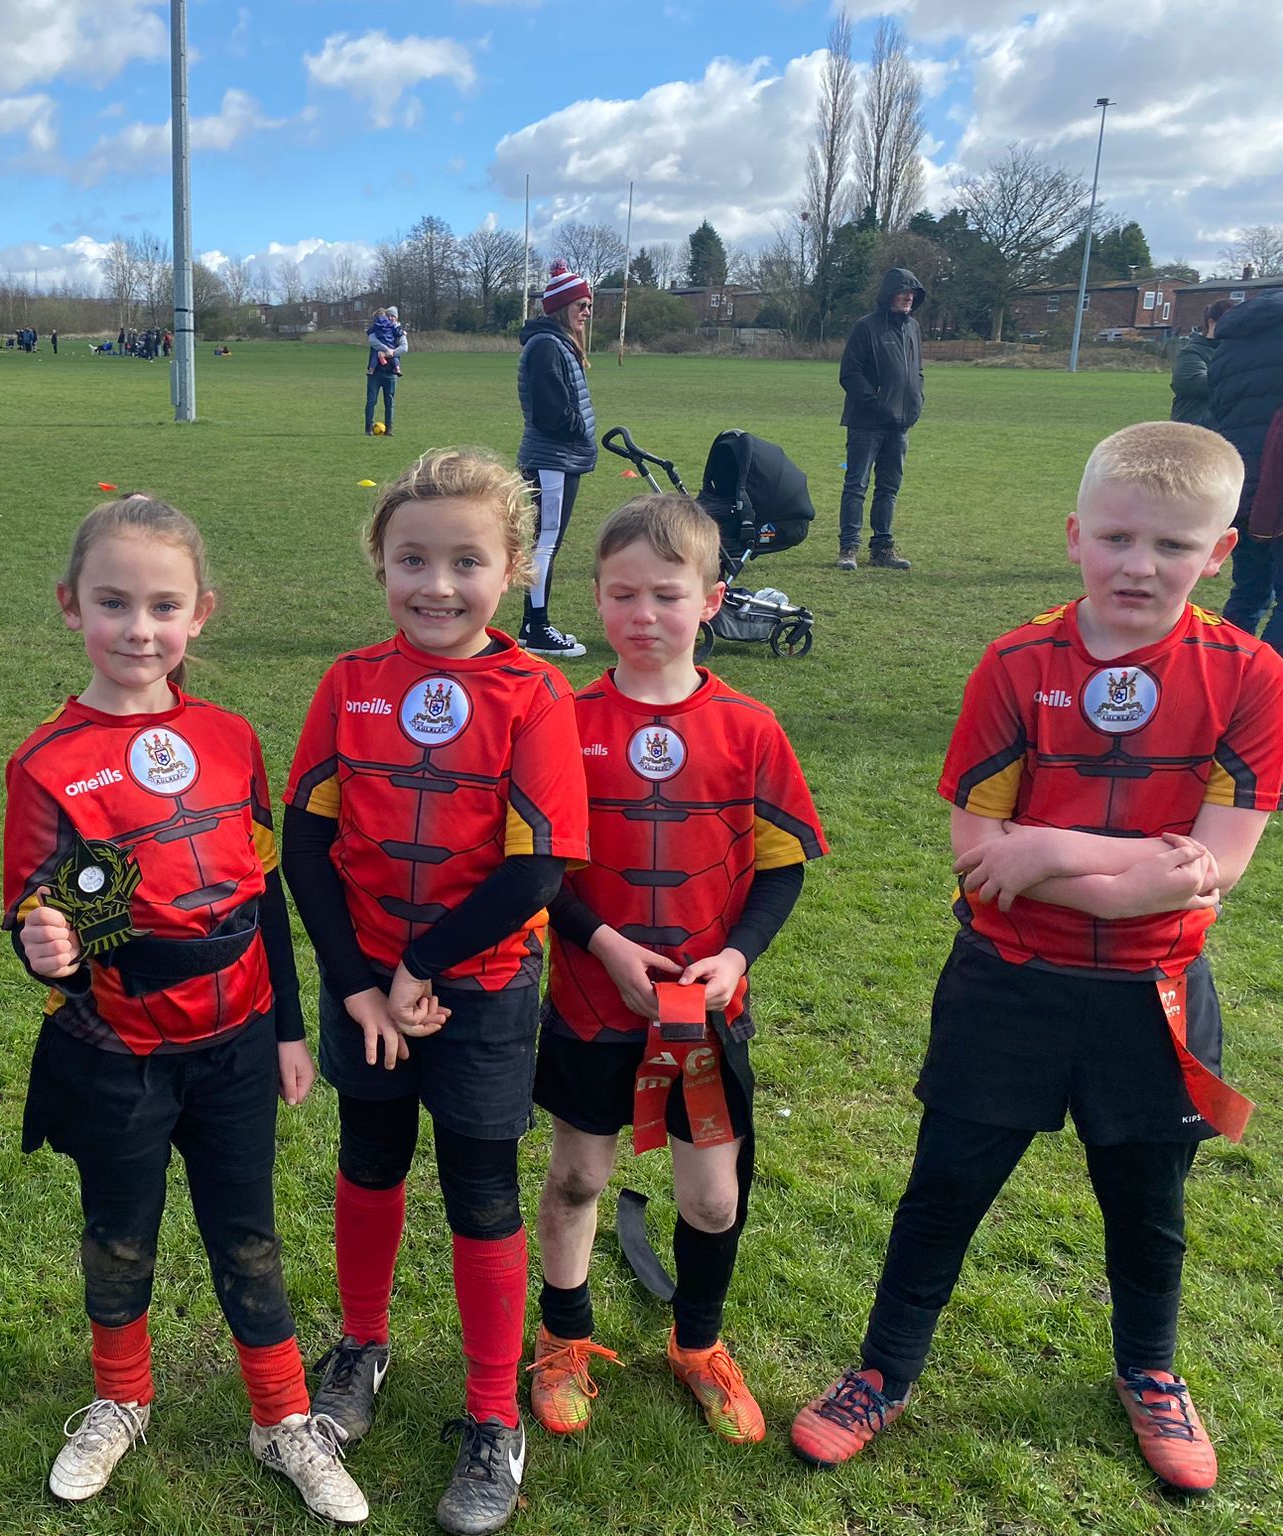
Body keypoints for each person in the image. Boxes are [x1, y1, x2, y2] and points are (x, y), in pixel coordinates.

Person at [790, 422, 1283, 1497]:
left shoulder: (1250, 674)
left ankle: (1149, 1370)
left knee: (1147, 1203)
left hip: (1154, 992)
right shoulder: (1016, 662)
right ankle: (882, 1370)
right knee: (944, 1187)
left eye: (1171, 545)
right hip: (1006, 983)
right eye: (1115, 537)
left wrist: (1050, 849)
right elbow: (979, 860)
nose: (1137, 565)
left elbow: (1212, 872)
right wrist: (1122, 868)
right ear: (1073, 536)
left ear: (1219, 554)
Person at [4, 498, 366, 1523]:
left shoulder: (229, 737)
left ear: (201, 611)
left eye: (163, 606)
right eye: (112, 603)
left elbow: (263, 895)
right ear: (70, 606)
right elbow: (46, 919)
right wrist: (46, 950)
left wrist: (287, 1028)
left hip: (238, 1048)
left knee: (246, 1233)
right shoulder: (45, 764)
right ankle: (121, 1399)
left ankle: (281, 1417)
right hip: (119, 1053)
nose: (139, 629)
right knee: (119, 1233)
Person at [284, 449, 587, 1536]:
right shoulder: (349, 682)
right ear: (380, 564)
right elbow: (305, 848)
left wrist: (421, 970)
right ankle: (360, 1346)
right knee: (368, 1159)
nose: (438, 584)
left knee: (480, 1190)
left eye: (466, 561)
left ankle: (492, 1414)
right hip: (367, 986)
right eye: (412, 559)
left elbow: (535, 872)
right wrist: (361, 986)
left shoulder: (535, 695)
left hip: (482, 993)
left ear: (513, 569)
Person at [526, 494, 827, 1448]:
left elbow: (781, 868)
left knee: (712, 1196)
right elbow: (539, 869)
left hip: (705, 1014)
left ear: (712, 600)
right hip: (590, 1002)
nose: (644, 614)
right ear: (596, 598)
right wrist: (605, 945)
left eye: (667, 594)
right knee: (579, 1176)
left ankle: (697, 1344)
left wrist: (736, 956)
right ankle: (563, 1337)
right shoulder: (561, 721)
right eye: (622, 595)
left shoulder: (750, 727)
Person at [515, 261, 598, 658]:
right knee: (544, 544)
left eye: (589, 305)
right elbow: (552, 413)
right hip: (552, 460)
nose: (587, 312)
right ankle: (537, 627)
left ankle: (531, 625)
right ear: (563, 307)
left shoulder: (556, 343)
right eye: (581, 305)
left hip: (561, 458)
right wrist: (579, 429)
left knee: (546, 543)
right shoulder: (547, 346)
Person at [836, 268, 925, 571]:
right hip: (866, 424)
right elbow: (849, 373)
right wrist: (875, 404)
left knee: (889, 488)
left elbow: (917, 371)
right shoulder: (866, 327)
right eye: (903, 292)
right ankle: (848, 548)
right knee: (856, 486)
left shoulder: (913, 328)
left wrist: (917, 401)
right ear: (889, 295)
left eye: (913, 293)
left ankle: (882, 549)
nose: (909, 297)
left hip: (899, 426)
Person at [1209, 288, 1283, 649]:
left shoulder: (1231, 341)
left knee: (1249, 591)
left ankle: (1227, 667)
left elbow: (1218, 408)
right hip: (1276, 480)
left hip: (1240, 477)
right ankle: (1270, 678)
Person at [1170, 301, 1231, 429]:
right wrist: (1238, 379)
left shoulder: (1235, 352)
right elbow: (1193, 383)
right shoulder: (1192, 351)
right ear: (1211, 322)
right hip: (1192, 427)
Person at [364, 342, 399, 439]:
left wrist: (388, 353)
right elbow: (372, 339)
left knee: (389, 402)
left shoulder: (397, 338)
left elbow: (403, 349)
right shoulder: (375, 338)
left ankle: (389, 429)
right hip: (374, 374)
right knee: (371, 401)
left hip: (391, 374)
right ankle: (368, 428)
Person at [366, 306, 405, 378]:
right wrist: (388, 350)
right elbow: (372, 340)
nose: (390, 318)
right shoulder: (391, 326)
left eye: (392, 316)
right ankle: (397, 368)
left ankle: (371, 369)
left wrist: (386, 354)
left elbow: (404, 348)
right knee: (394, 357)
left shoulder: (376, 326)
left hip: (390, 372)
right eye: (388, 316)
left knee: (375, 355)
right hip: (390, 345)